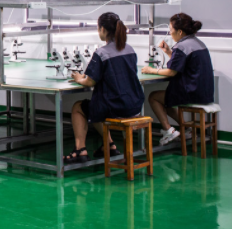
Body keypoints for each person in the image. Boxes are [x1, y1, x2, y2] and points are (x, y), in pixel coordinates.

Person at [64, 12, 144, 164]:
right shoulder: (130, 50)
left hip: (115, 107)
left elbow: (90, 82)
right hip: (134, 105)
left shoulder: (101, 53)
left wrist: (79, 78)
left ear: (102, 29)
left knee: (79, 107)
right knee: (95, 107)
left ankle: (80, 150)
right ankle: (110, 145)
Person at [143, 13, 214, 145]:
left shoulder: (181, 46)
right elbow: (182, 64)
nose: (170, 33)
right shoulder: (198, 42)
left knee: (153, 97)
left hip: (191, 91)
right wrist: (168, 52)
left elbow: (171, 72)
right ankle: (186, 128)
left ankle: (168, 130)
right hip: (204, 91)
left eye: (171, 30)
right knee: (168, 100)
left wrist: (151, 70)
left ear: (180, 32)